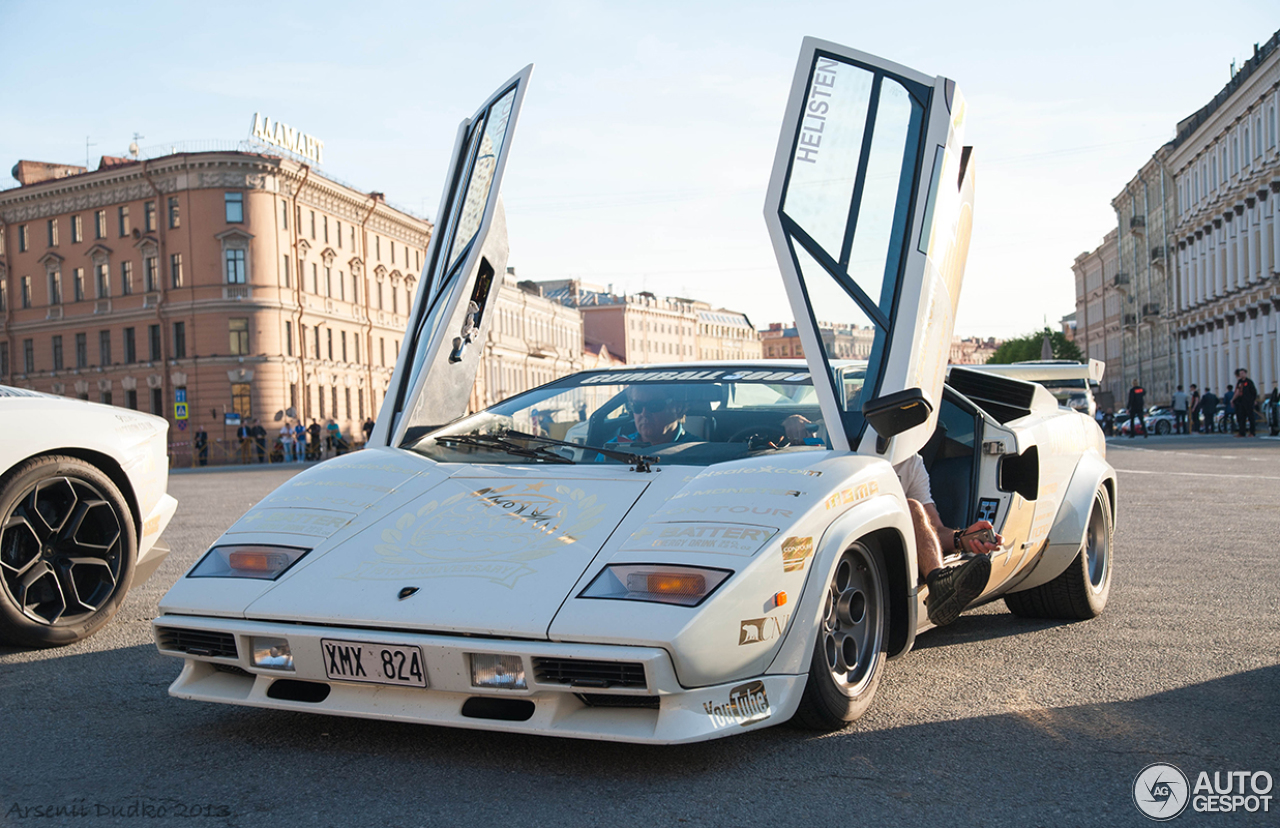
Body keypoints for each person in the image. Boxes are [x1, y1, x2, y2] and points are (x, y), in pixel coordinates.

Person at [783, 416, 1001, 627]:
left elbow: (933, 529)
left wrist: (962, 538)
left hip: (884, 551)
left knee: (913, 507)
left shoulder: (911, 462)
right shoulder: (827, 445)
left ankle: (939, 585)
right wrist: (792, 425)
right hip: (828, 538)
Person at [607, 385, 698, 447]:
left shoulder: (699, 451)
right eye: (637, 406)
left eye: (654, 406)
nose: (644, 413)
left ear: (679, 408)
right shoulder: (614, 449)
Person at [1233, 368, 1258, 438]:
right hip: (1241, 402)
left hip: (1248, 402)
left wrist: (1254, 400)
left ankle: (1252, 432)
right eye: (1240, 373)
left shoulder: (1249, 382)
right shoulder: (1239, 382)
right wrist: (1233, 399)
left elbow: (1254, 392)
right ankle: (1242, 432)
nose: (1241, 375)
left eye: (1242, 373)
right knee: (1241, 418)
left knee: (1251, 417)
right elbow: (1238, 391)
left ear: (1245, 374)